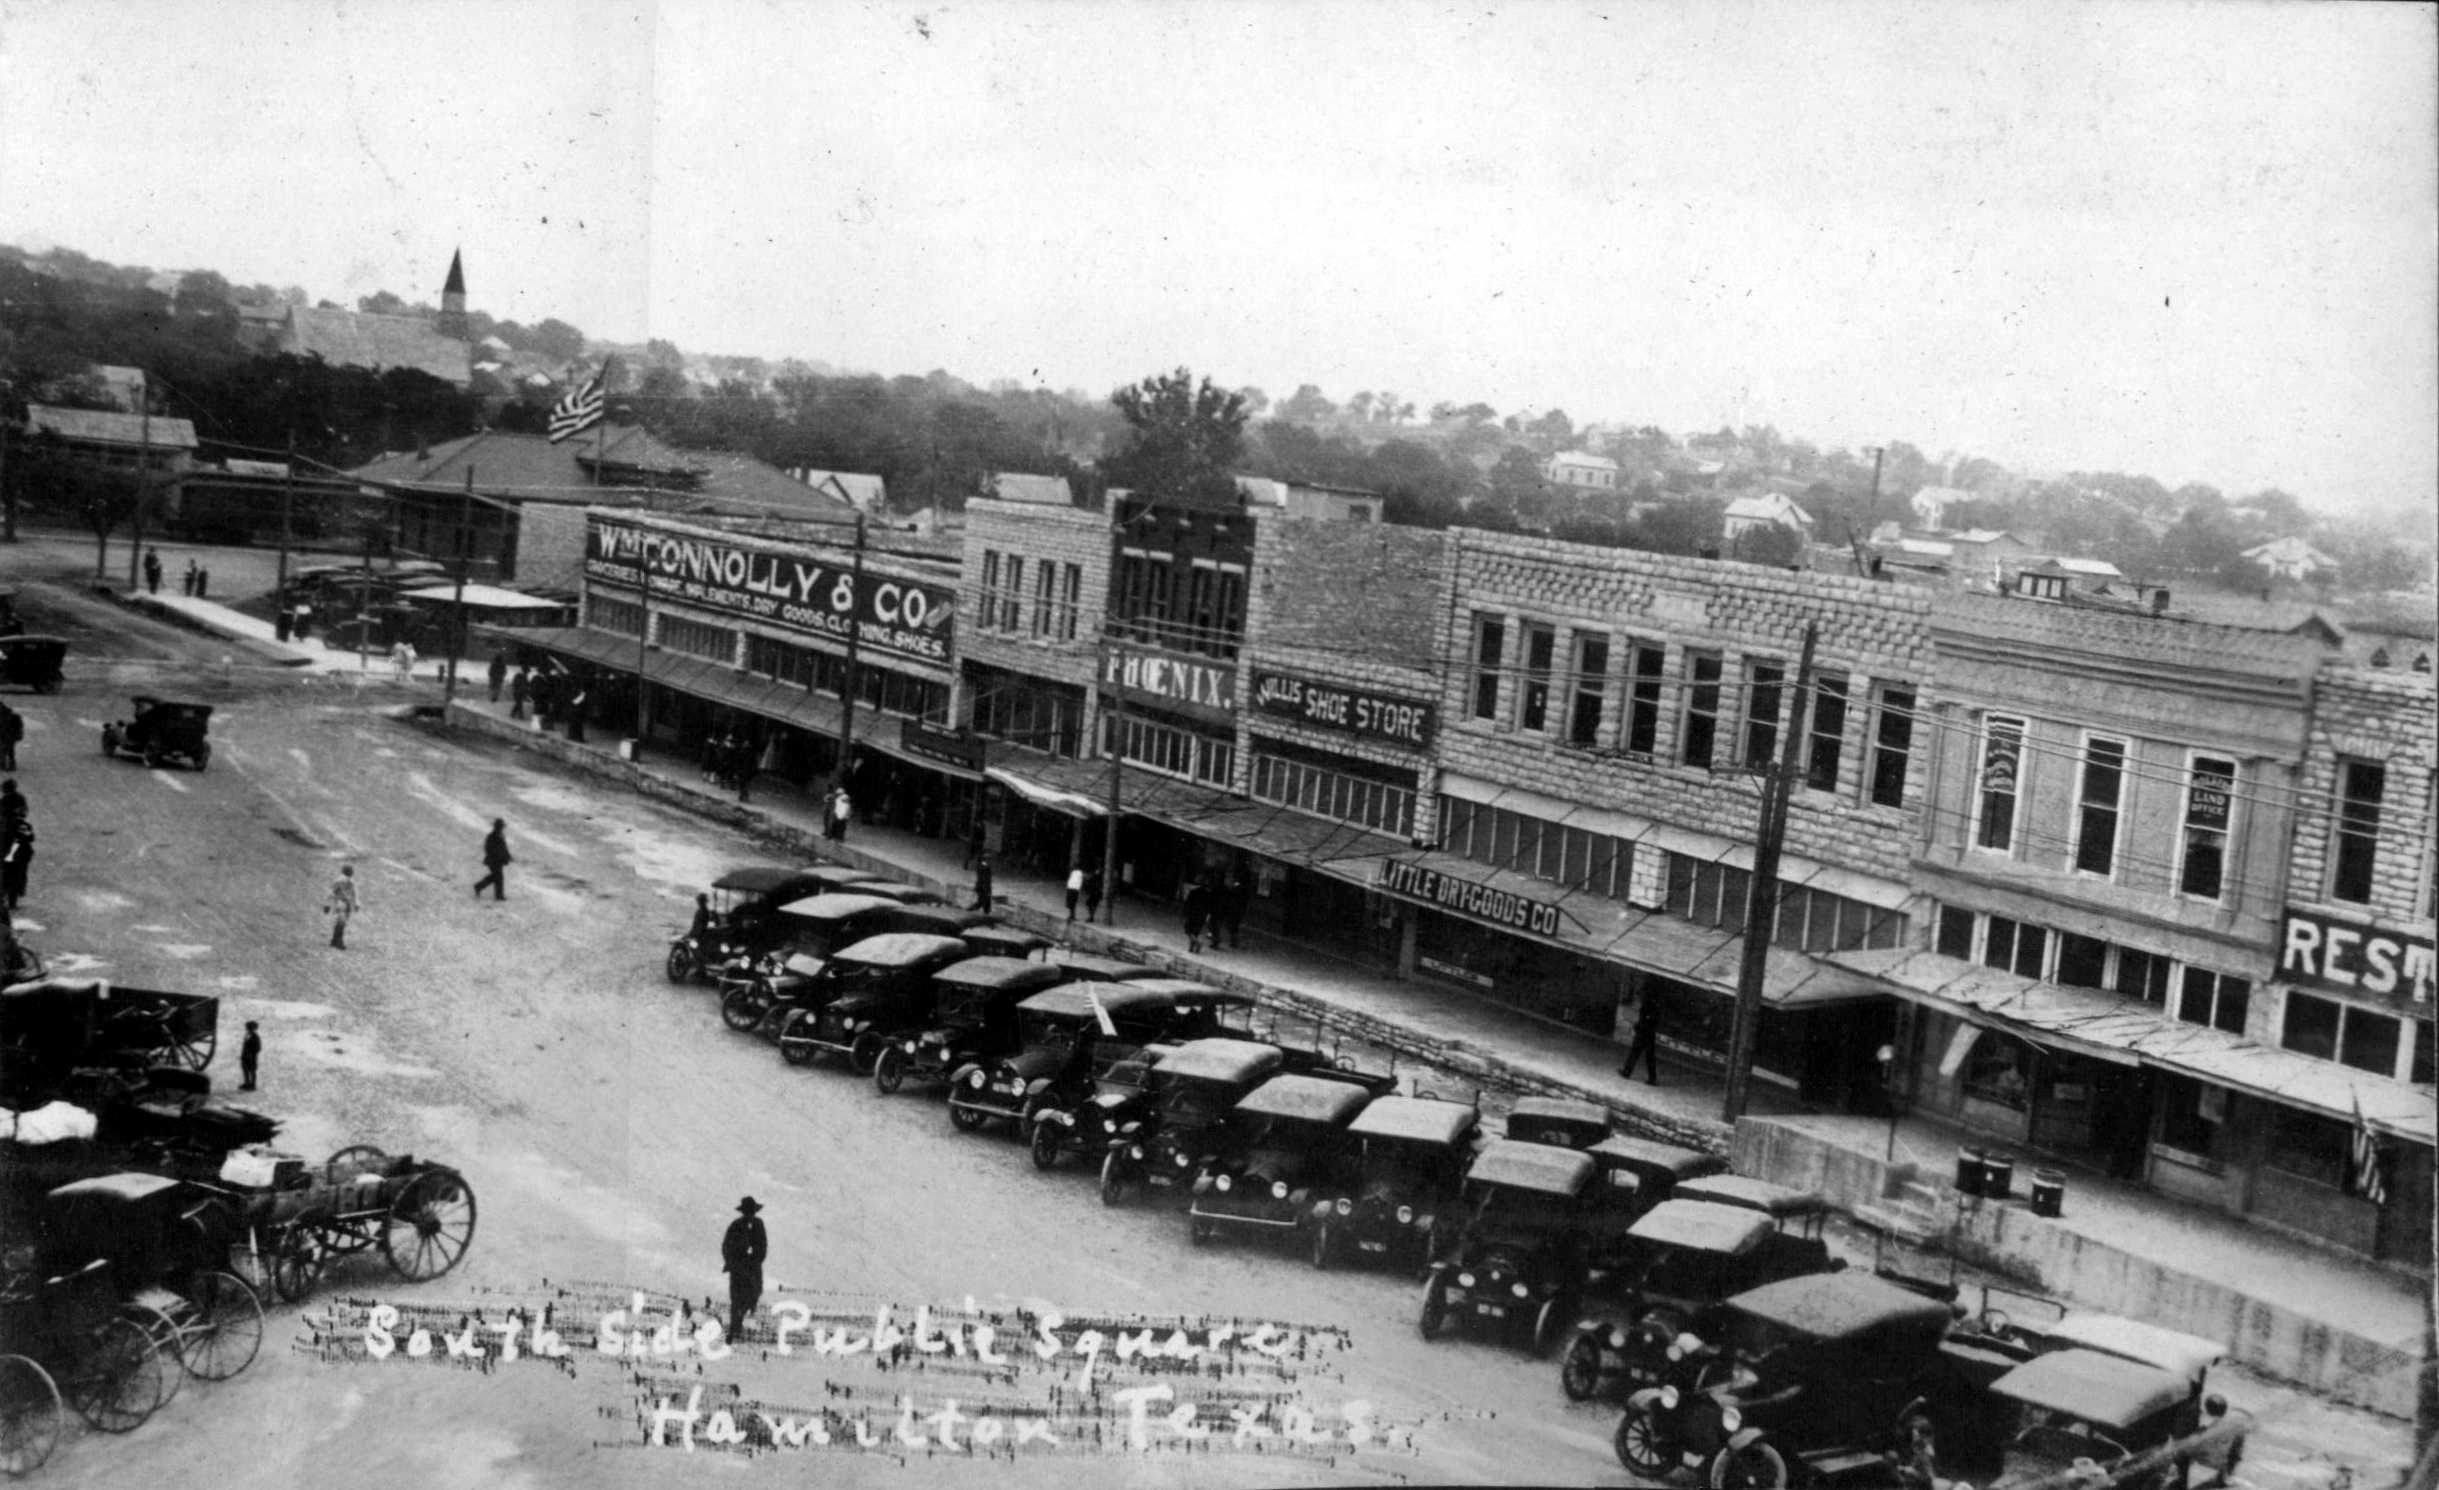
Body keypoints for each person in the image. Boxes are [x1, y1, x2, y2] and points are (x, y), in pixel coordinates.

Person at [721, 1196, 768, 1342]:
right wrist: (733, 1262)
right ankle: (734, 1329)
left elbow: (763, 1246)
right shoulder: (735, 1226)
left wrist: (755, 1260)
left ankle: (744, 1313)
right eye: (747, 1212)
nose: (749, 1214)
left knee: (755, 1292)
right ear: (743, 1212)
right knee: (736, 1299)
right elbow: (726, 1246)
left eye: (751, 1212)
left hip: (753, 1267)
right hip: (738, 1268)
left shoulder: (759, 1224)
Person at [1619, 996, 1661, 1085]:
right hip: (1649, 1034)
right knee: (1649, 1056)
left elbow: (1643, 1021)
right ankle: (1652, 1078)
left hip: (1643, 1033)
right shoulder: (1655, 1009)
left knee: (1635, 1053)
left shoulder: (1646, 1008)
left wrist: (1637, 1027)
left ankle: (1627, 1072)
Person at [474, 818, 513, 901]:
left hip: (498, 860)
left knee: (495, 877)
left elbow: (504, 848)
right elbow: (488, 848)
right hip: (493, 860)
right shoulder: (492, 836)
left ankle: (478, 886)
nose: (501, 828)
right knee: (498, 877)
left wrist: (508, 856)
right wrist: (497, 855)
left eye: (501, 826)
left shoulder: (501, 836)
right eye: (500, 826)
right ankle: (499, 895)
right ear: (496, 827)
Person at [0, 814, 31, 912]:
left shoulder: (20, 826)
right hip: (14, 858)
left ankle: (10, 902)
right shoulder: (17, 826)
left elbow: (29, 837)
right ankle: (10, 902)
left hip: (17, 858)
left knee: (12, 881)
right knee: (12, 881)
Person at [325, 864, 359, 950]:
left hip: (347, 903)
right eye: (350, 872)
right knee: (341, 921)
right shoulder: (339, 881)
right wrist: (327, 904)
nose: (351, 874)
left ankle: (334, 940)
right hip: (339, 902)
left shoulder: (351, 882)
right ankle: (339, 941)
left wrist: (356, 903)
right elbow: (331, 892)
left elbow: (354, 893)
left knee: (342, 923)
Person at [1215, 875, 1248, 951]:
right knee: (1233, 927)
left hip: (1233, 910)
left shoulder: (1236, 889)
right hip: (1236, 911)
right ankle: (1233, 941)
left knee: (1231, 926)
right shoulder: (1242, 890)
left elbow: (1230, 898)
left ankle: (1230, 941)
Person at [1180, 877, 1209, 955]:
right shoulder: (1208, 895)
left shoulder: (1193, 892)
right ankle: (1192, 947)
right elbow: (1209, 907)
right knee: (1195, 931)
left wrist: (1184, 912)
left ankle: (1197, 944)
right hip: (1202, 915)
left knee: (1188, 929)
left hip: (1192, 914)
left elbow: (1188, 903)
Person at [239, 1021, 262, 1091]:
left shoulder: (256, 1037)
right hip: (245, 1056)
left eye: (250, 1028)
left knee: (252, 1071)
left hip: (252, 1057)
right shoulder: (247, 1035)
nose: (249, 1029)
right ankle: (247, 1083)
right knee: (245, 1070)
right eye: (248, 1028)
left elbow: (258, 1048)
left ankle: (253, 1085)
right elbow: (244, 1046)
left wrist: (251, 1053)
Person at [0, 702, 20, 771]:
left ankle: (6, 764)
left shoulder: (11, 716)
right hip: (7, 736)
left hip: (8, 736)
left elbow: (17, 728)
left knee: (6, 750)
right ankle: (8, 764)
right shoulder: (11, 715)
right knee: (8, 750)